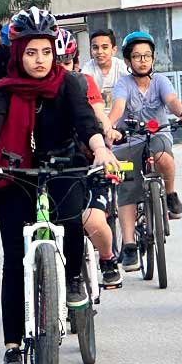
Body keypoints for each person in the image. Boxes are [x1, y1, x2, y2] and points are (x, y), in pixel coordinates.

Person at [0, 7, 119, 364]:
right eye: (31, 52)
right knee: (14, 259)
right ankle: (13, 347)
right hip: (15, 173)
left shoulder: (68, 85)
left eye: (46, 52)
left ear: (55, 53)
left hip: (63, 166)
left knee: (71, 221)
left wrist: (100, 149)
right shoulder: (3, 89)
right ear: (18, 53)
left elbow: (86, 122)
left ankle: (72, 280)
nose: (39, 60)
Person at [108, 31, 182, 272]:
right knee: (126, 188)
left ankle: (170, 195)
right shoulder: (123, 84)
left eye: (147, 56)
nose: (143, 60)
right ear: (127, 61)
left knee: (164, 158)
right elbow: (118, 106)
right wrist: (109, 125)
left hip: (158, 135)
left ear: (153, 59)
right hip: (127, 141)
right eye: (137, 56)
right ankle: (128, 247)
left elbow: (172, 100)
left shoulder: (160, 81)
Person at [56, 27, 123, 287]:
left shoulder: (84, 82)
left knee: (93, 221)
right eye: (56, 59)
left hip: (87, 163)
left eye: (65, 61)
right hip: (51, 169)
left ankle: (107, 258)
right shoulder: (33, 88)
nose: (61, 67)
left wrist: (106, 133)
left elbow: (96, 112)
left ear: (74, 61)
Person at [81, 29, 129, 108]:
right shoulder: (87, 70)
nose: (99, 51)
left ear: (114, 50)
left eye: (105, 47)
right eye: (95, 48)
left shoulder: (123, 68)